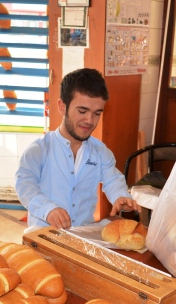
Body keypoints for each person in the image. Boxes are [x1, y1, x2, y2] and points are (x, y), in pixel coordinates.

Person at [16, 68, 141, 229]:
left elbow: (113, 180)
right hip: (43, 238)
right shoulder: (39, 150)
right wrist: (48, 209)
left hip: (83, 237)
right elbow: (25, 185)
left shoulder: (101, 152)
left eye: (97, 113)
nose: (89, 120)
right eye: (82, 111)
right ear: (62, 107)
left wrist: (120, 196)